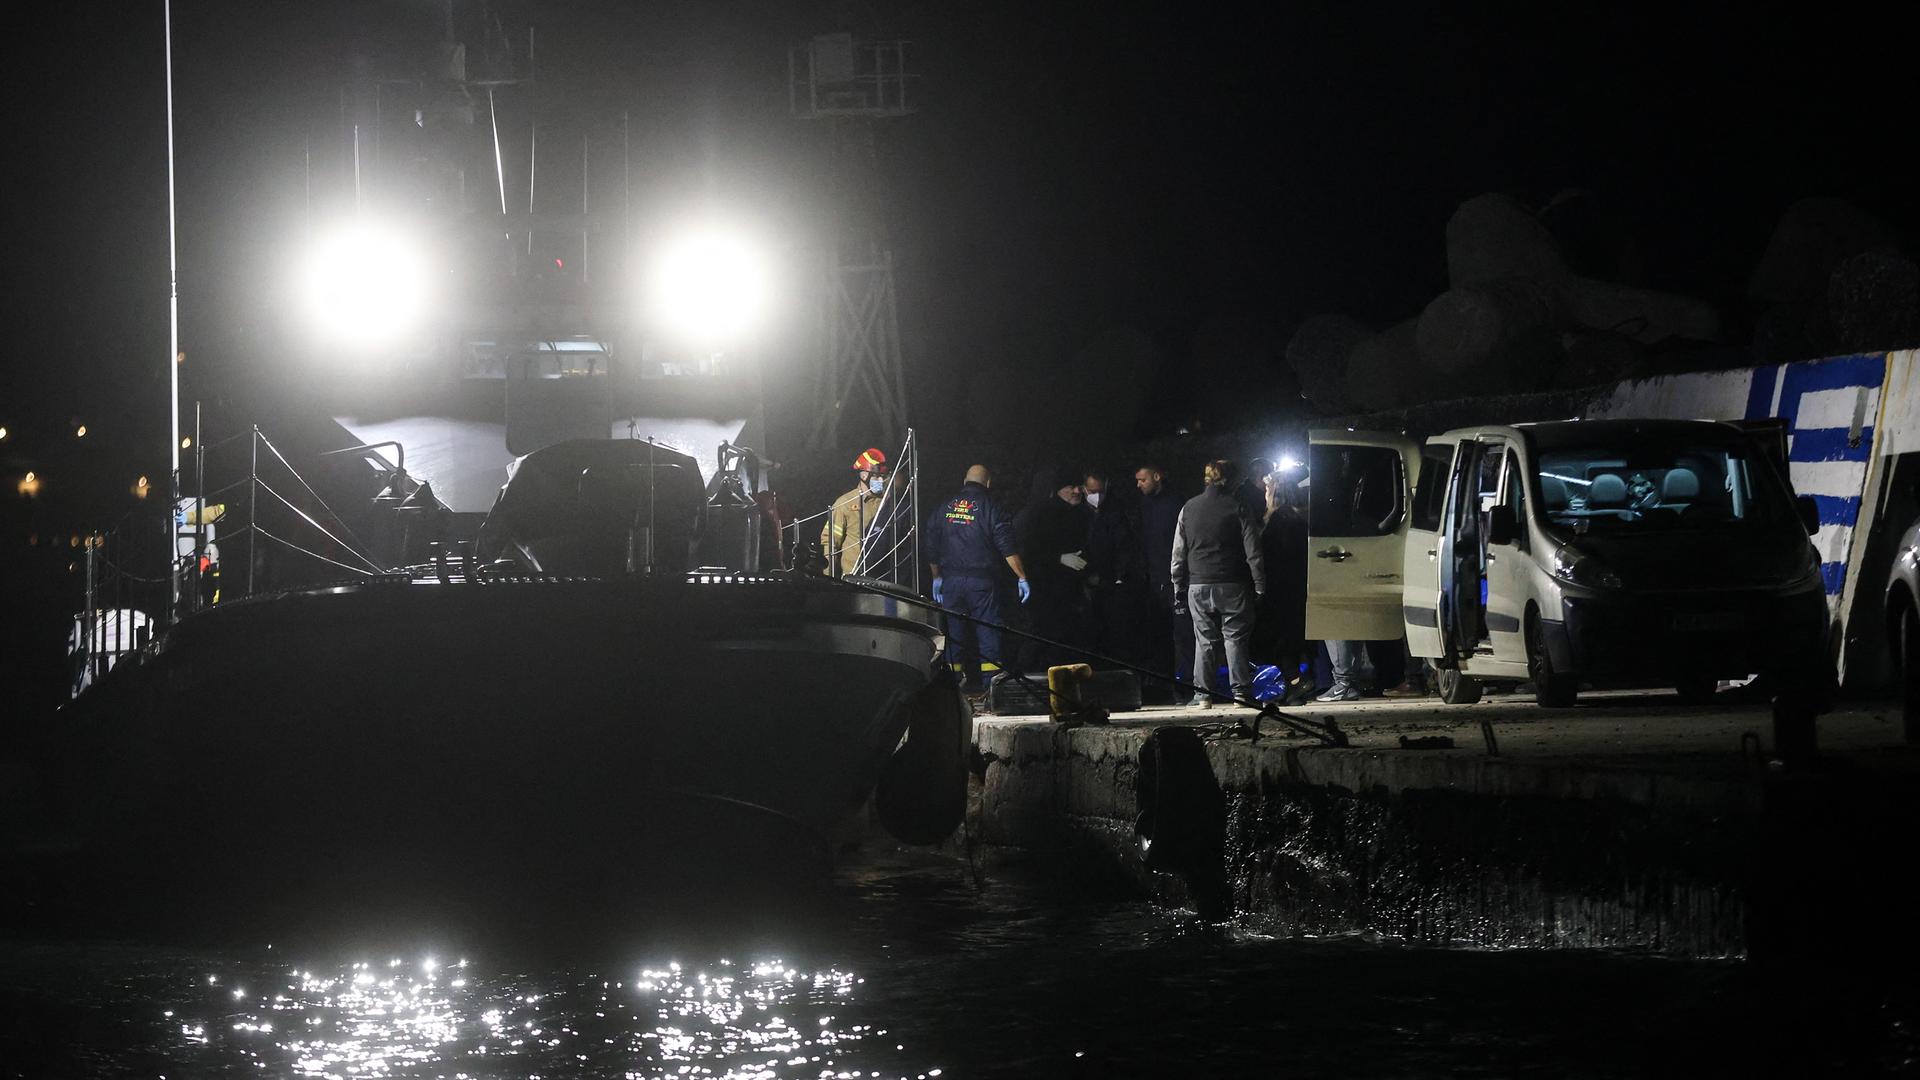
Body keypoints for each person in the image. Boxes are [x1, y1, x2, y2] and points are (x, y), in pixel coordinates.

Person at [924, 465, 1030, 698]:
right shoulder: (992, 508)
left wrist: (936, 577)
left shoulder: (944, 507)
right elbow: (1007, 546)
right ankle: (991, 688)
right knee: (988, 633)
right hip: (981, 583)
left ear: (964, 481)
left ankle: (951, 690)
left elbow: (931, 543)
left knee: (954, 636)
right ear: (988, 483)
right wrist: (1021, 576)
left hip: (950, 583)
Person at [1171, 459, 1266, 708]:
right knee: (1234, 639)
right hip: (1233, 583)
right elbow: (1253, 550)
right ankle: (1241, 694)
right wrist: (1259, 583)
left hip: (1198, 584)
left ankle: (1203, 695)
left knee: (1204, 640)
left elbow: (1178, 552)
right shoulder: (1239, 507)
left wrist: (1178, 585)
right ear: (1231, 480)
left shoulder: (1188, 508)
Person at [1014, 466, 1093, 671]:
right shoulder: (1038, 515)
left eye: (1078, 486)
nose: (1076, 491)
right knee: (1043, 637)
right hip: (1045, 591)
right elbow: (1028, 551)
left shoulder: (1079, 513)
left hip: (1068, 590)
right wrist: (1058, 558)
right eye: (1070, 487)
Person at [1135, 463, 1193, 695]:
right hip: (1154, 580)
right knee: (1158, 636)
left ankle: (1186, 685)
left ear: (1157, 477)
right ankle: (1163, 685)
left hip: (1175, 579)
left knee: (1183, 636)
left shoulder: (1177, 503)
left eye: (1143, 480)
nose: (1139, 485)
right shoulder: (1144, 506)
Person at [1083, 469, 1149, 665]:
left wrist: (1119, 576)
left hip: (1111, 581)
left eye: (1100, 491)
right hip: (1088, 581)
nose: (1096, 496)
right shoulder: (1079, 514)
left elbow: (1124, 545)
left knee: (1116, 630)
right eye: (1092, 491)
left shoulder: (1115, 511)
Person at [821, 447, 888, 578]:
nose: (880, 480)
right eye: (875, 475)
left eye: (882, 476)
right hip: (855, 577)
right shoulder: (844, 504)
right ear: (863, 475)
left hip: (885, 577)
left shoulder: (888, 502)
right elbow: (830, 543)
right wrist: (828, 579)